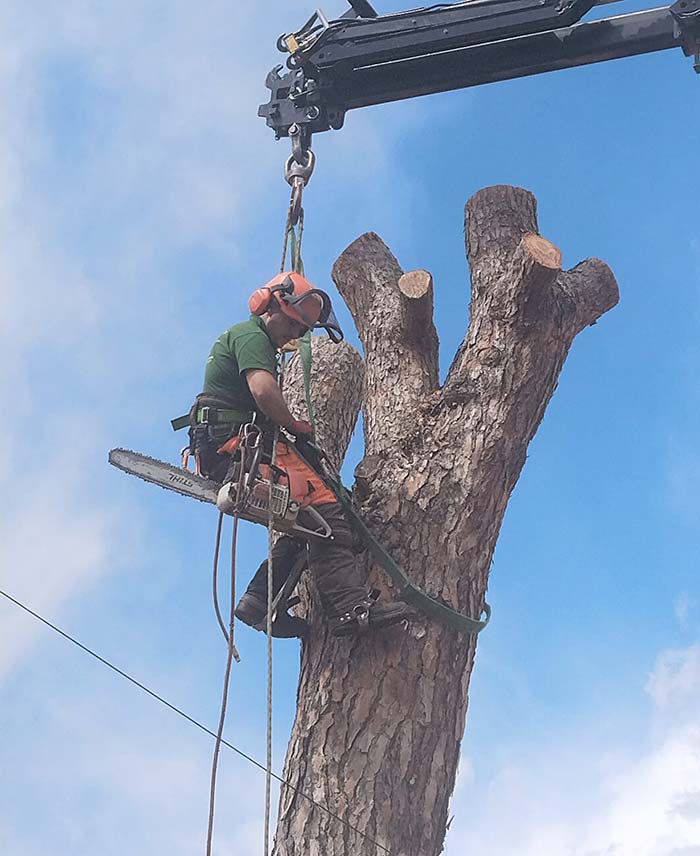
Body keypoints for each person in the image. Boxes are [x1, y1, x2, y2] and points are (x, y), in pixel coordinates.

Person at [186, 271, 413, 638]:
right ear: (270, 305)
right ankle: (348, 610)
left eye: (302, 331)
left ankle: (260, 600)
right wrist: (293, 422)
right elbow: (263, 391)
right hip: (237, 447)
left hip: (231, 445)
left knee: (305, 522)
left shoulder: (251, 339)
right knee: (327, 511)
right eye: (294, 326)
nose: (295, 336)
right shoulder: (250, 336)